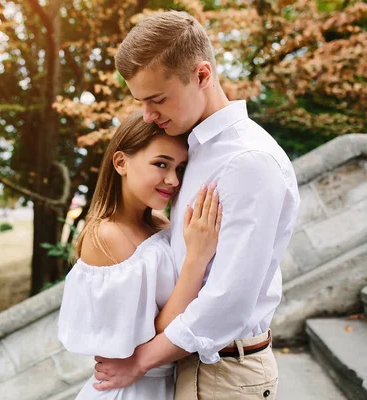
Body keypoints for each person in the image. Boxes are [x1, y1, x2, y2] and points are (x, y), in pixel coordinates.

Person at [92, 11, 301, 399]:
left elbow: (229, 302)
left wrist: (139, 361)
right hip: (193, 364)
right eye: (140, 101)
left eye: (157, 99)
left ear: (202, 76)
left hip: (226, 375)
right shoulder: (193, 149)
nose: (148, 115)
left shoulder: (247, 162)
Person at [57, 110, 223, 399]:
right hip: (133, 390)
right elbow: (154, 334)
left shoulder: (159, 223)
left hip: (169, 382)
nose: (172, 180)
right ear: (121, 162)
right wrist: (197, 257)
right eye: (161, 164)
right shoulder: (106, 237)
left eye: (180, 169)